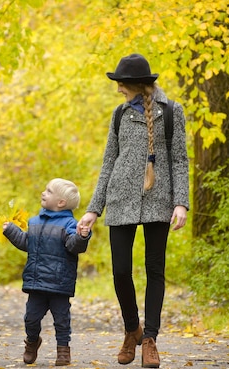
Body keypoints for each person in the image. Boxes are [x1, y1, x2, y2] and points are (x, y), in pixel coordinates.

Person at [76, 53, 190, 368]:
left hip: (159, 199)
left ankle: (150, 339)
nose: (118, 90)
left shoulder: (172, 112)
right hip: (120, 200)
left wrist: (181, 201)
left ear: (138, 85)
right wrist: (92, 209)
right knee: (121, 271)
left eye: (122, 85)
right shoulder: (119, 114)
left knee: (155, 270)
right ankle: (132, 329)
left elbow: (180, 159)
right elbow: (108, 162)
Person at [3, 178, 92, 366]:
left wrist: (81, 236)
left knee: (62, 320)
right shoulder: (34, 222)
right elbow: (27, 243)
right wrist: (11, 230)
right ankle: (32, 342)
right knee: (31, 318)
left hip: (59, 284)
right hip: (37, 283)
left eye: (49, 191)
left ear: (61, 202)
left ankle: (63, 351)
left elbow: (73, 245)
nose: (44, 193)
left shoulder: (69, 223)